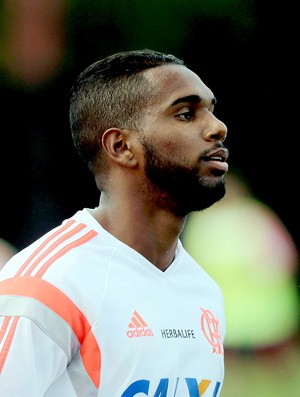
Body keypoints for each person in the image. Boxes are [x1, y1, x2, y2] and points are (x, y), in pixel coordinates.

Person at [0, 49, 229, 396]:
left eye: (211, 111)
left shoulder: (203, 291)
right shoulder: (48, 286)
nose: (217, 128)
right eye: (185, 114)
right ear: (121, 146)